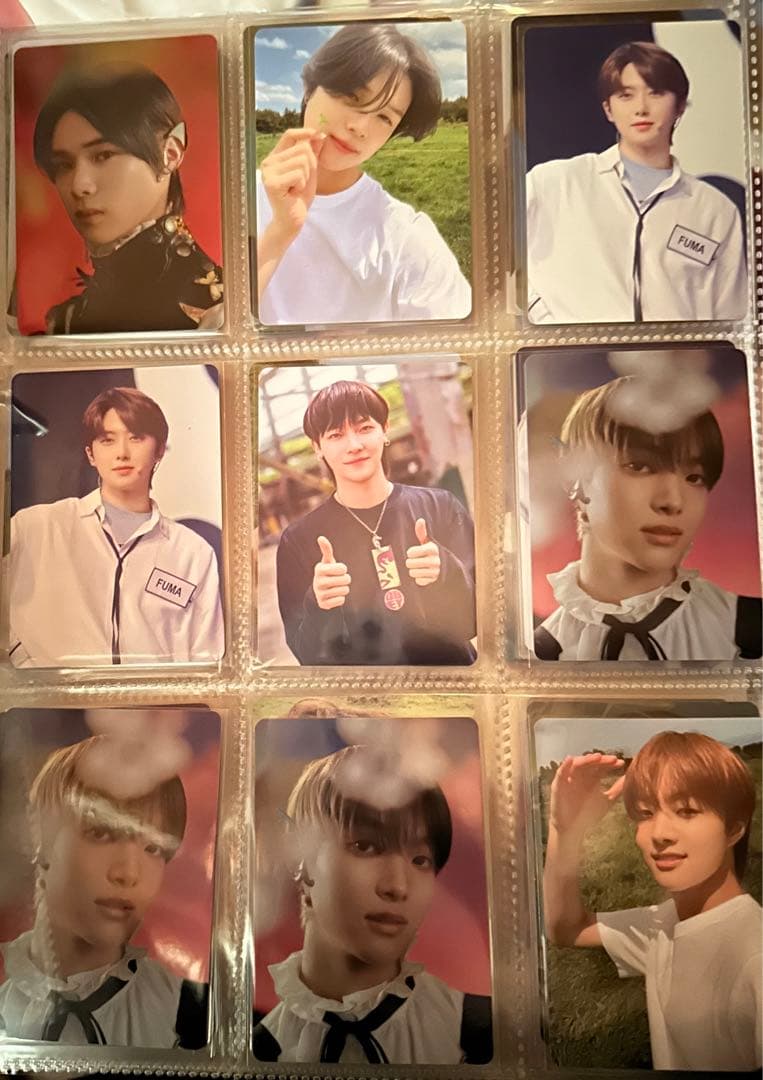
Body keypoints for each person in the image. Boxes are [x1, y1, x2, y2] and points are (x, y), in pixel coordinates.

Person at [252, 744, 492, 1064]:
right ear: (302, 859)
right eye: (365, 846)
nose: (397, 886)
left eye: (421, 860)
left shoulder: (479, 1033)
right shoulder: (257, 1051)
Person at [543, 730, 762, 1071]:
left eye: (687, 811)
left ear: (734, 829)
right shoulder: (664, 924)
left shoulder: (755, 954)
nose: (659, 834)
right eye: (646, 813)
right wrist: (566, 831)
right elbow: (566, 928)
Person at [533, 375, 762, 661]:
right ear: (573, 477)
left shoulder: (750, 629)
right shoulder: (538, 654)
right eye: (639, 466)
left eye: (694, 477)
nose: (673, 501)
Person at [254, 23, 471, 325]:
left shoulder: (406, 239)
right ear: (310, 88)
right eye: (353, 97)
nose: (360, 127)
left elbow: (458, 347)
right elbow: (207, 332)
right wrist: (279, 233)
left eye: (384, 117)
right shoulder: (232, 201)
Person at [0, 735, 207, 1047]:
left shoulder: (190, 1011)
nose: (128, 873)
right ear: (41, 841)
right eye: (101, 834)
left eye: (154, 848)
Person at [526, 41, 747, 323]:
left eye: (656, 93)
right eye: (626, 95)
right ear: (608, 109)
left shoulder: (715, 210)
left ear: (680, 106)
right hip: (572, 351)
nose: (641, 108)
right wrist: (542, 318)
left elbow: (731, 317)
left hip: (679, 353)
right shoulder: (554, 182)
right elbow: (492, 259)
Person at [7, 386, 224, 667]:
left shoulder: (193, 553)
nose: (122, 453)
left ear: (159, 450)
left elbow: (207, 661)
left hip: (157, 696)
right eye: (107, 440)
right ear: (90, 454)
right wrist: (20, 661)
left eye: (136, 438)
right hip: (52, 695)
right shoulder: (36, 527)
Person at [275, 380, 476, 665]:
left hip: (451, 681)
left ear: (385, 430)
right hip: (369, 692)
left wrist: (445, 570)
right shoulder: (298, 541)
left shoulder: (440, 507)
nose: (354, 445)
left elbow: (480, 621)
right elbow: (307, 657)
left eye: (365, 428)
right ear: (317, 447)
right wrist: (318, 603)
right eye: (336, 435)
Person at [30, 62, 223, 334]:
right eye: (64, 165)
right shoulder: (70, 317)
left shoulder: (216, 311)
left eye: (103, 155)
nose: (79, 185)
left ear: (170, 154)